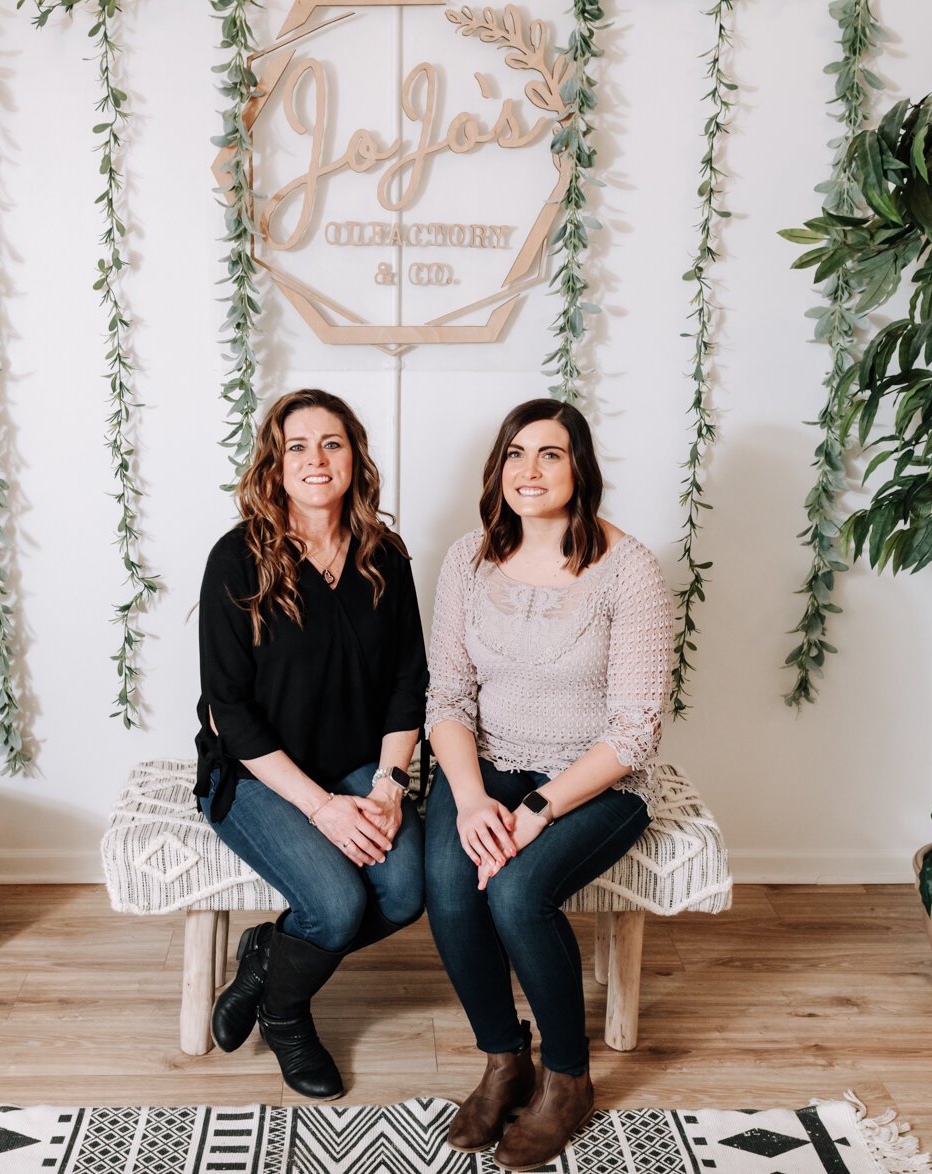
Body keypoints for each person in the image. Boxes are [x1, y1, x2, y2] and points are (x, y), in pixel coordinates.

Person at [424, 398, 673, 1169]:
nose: (529, 471)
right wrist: (470, 800)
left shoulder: (628, 570)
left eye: (551, 455)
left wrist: (538, 807)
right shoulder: (466, 561)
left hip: (600, 780)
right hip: (485, 763)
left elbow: (636, 728)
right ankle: (506, 1061)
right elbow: (447, 699)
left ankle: (568, 1078)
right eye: (515, 455)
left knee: (515, 892)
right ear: (498, 469)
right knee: (446, 872)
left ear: (581, 468)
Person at [195, 388, 428, 1100]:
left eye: (332, 443)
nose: (316, 459)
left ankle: (266, 958)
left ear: (354, 458)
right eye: (298, 445)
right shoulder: (237, 560)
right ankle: (288, 1013)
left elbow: (408, 682)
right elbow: (228, 712)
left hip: (362, 766)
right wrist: (322, 807)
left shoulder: (384, 556)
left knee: (407, 889)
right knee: (333, 905)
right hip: (257, 777)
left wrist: (388, 786)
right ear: (275, 464)